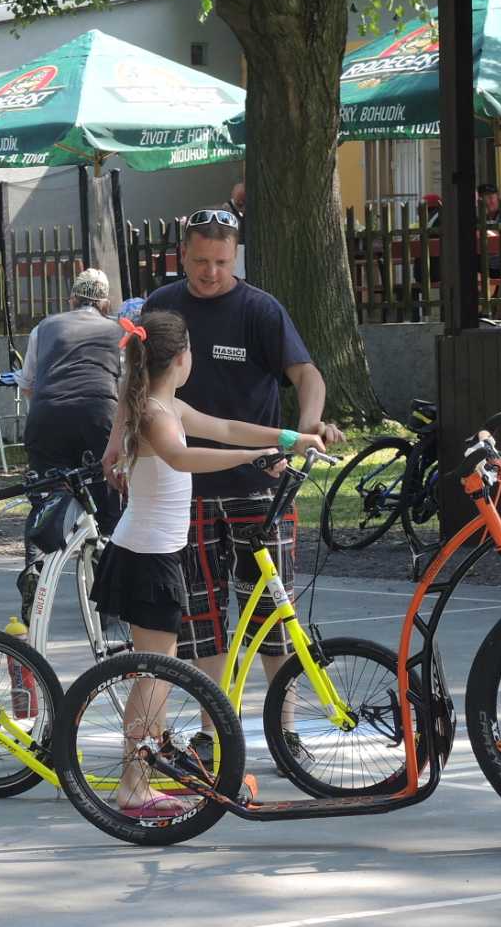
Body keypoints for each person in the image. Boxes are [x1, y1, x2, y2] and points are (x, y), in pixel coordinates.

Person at [112, 208, 345, 707]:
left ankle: (284, 728)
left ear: (234, 255)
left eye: (220, 261)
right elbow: (134, 382)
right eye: (199, 260)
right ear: (183, 254)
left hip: (258, 489)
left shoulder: (260, 309)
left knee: (273, 616)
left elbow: (308, 376)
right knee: (202, 621)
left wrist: (301, 429)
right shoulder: (164, 305)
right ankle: (212, 726)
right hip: (189, 495)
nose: (209, 272)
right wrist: (117, 438)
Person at [94, 309, 322, 815]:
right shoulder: (154, 413)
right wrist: (253, 459)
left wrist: (288, 438)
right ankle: (133, 785)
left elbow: (223, 426)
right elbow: (182, 457)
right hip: (146, 556)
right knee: (153, 675)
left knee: (157, 670)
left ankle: (144, 768)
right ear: (182, 358)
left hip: (153, 553)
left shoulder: (164, 404)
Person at [18, 267, 123, 534]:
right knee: (106, 500)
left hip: (47, 416)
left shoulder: (43, 328)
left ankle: (38, 565)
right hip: (98, 415)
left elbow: (28, 384)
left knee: (46, 498)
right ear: (105, 303)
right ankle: (105, 553)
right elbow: (124, 389)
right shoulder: (118, 332)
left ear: (72, 300)